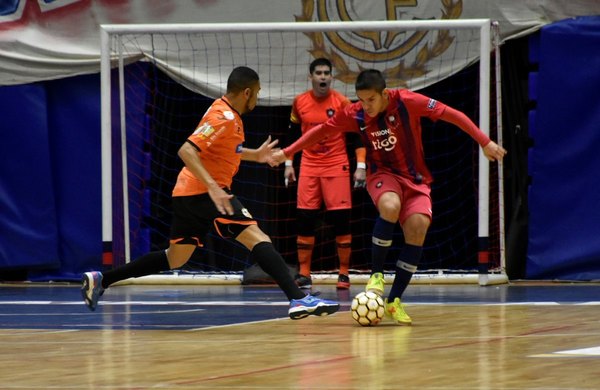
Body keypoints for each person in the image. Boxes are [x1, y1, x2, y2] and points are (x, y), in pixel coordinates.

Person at [81, 66, 339, 320]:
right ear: (247, 92)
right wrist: (214, 187)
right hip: (204, 192)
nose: (258, 99)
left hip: (187, 194)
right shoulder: (222, 117)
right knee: (256, 237)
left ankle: (103, 279)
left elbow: (227, 150)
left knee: (175, 258)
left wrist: (256, 156)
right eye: (257, 93)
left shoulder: (228, 115)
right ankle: (298, 298)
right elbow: (187, 151)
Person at [272, 69, 506, 325]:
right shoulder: (355, 113)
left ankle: (394, 301)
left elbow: (453, 115)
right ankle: (376, 275)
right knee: (390, 205)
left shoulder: (407, 101)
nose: (366, 106)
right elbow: (321, 131)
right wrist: (288, 152)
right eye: (361, 99)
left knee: (418, 227)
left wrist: (485, 142)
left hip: (415, 179)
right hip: (381, 174)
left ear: (384, 94)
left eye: (371, 99)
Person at [284, 58, 366, 290]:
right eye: (318, 73)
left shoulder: (342, 102)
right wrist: (288, 162)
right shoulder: (299, 102)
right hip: (309, 166)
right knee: (305, 220)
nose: (322, 77)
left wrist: (361, 166)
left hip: (336, 166)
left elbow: (356, 136)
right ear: (310, 77)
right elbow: (292, 136)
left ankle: (343, 274)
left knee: (341, 221)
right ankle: (304, 274)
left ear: (332, 77)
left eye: (326, 73)